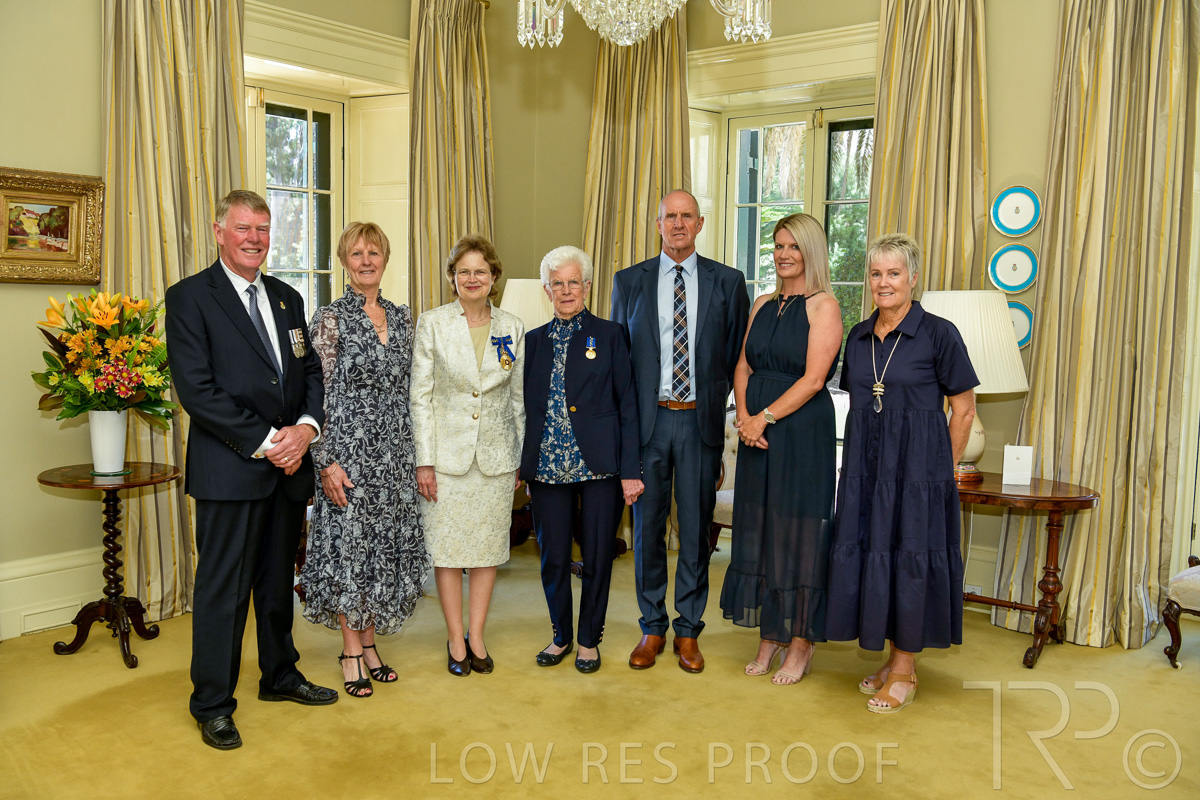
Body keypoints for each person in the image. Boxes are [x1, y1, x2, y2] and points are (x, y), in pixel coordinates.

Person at [166, 190, 337, 751]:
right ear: (219, 232)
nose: (255, 239)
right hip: (231, 470)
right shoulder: (190, 297)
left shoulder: (288, 298)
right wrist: (269, 443)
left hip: (287, 472)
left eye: (263, 229)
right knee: (224, 592)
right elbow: (198, 391)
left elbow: (311, 374)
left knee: (276, 585)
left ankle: (279, 674)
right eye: (243, 228)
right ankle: (212, 703)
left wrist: (305, 430)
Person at [826, 233, 978, 713]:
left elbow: (964, 410)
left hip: (918, 474)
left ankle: (905, 671)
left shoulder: (939, 333)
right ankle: (893, 660)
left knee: (910, 560)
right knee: (879, 557)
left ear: (913, 278)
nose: (884, 282)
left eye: (894, 273)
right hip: (866, 472)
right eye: (876, 273)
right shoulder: (857, 337)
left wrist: (939, 473)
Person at [611, 189, 750, 672]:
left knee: (694, 531)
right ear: (658, 225)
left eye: (686, 216)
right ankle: (652, 627)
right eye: (669, 216)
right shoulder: (629, 281)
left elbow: (735, 357)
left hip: (699, 421)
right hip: (648, 424)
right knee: (647, 530)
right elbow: (620, 361)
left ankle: (688, 631)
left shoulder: (727, 282)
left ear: (700, 224)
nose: (677, 224)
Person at [301, 222, 430, 698]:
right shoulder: (329, 319)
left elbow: (413, 389)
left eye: (374, 252)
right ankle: (351, 650)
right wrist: (325, 462)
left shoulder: (402, 317)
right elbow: (313, 394)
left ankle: (370, 644)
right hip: (348, 457)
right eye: (356, 253)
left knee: (379, 552)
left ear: (385, 259)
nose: (366, 260)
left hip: (394, 457)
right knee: (350, 553)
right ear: (344, 262)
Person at [719, 213, 843, 685]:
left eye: (793, 246)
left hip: (800, 430)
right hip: (757, 431)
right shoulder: (762, 303)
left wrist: (763, 418)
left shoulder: (824, 306)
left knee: (798, 532)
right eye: (777, 245)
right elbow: (743, 367)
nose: (783, 254)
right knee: (760, 526)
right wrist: (745, 418)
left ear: (811, 251)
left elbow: (814, 380)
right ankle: (770, 634)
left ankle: (801, 641)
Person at [521, 246, 643, 674]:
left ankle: (589, 640)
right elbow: (524, 409)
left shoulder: (609, 335)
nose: (566, 290)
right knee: (553, 557)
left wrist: (631, 471)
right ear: (547, 290)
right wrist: (523, 465)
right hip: (547, 468)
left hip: (600, 466)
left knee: (596, 556)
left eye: (574, 281)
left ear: (587, 286)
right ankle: (561, 636)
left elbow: (628, 405)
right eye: (558, 283)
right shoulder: (533, 341)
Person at [410, 234, 525, 676]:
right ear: (452, 277)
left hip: (496, 457)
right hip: (446, 460)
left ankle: (477, 635)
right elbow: (420, 397)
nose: (472, 278)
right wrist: (424, 460)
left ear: (493, 277)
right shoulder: (433, 323)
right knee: (447, 550)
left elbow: (517, 398)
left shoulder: (512, 327)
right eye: (464, 272)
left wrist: (519, 455)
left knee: (486, 549)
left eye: (481, 271)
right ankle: (455, 637)